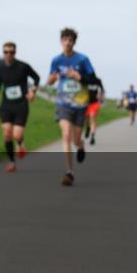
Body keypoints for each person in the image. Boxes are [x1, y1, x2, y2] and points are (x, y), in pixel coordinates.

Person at [45, 27, 98, 186]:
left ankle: (81, 146)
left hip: (80, 104)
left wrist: (79, 76)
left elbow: (93, 79)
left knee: (76, 140)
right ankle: (69, 172)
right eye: (65, 40)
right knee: (66, 134)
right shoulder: (56, 60)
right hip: (63, 104)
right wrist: (52, 79)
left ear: (74, 42)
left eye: (70, 40)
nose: (67, 43)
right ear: (61, 41)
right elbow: (50, 80)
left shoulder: (82, 59)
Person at [0, 41, 40, 173]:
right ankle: (11, 162)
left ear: (15, 53)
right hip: (6, 105)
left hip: (21, 105)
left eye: (11, 52)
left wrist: (32, 91)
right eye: (6, 52)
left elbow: (36, 78)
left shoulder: (23, 66)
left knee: (17, 135)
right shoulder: (0, 69)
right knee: (7, 132)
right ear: (3, 53)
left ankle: (20, 143)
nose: (8, 54)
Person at [83, 77, 105, 145]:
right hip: (85, 103)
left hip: (94, 103)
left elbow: (102, 90)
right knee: (86, 119)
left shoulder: (98, 80)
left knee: (92, 118)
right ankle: (88, 128)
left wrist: (101, 99)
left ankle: (92, 136)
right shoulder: (85, 79)